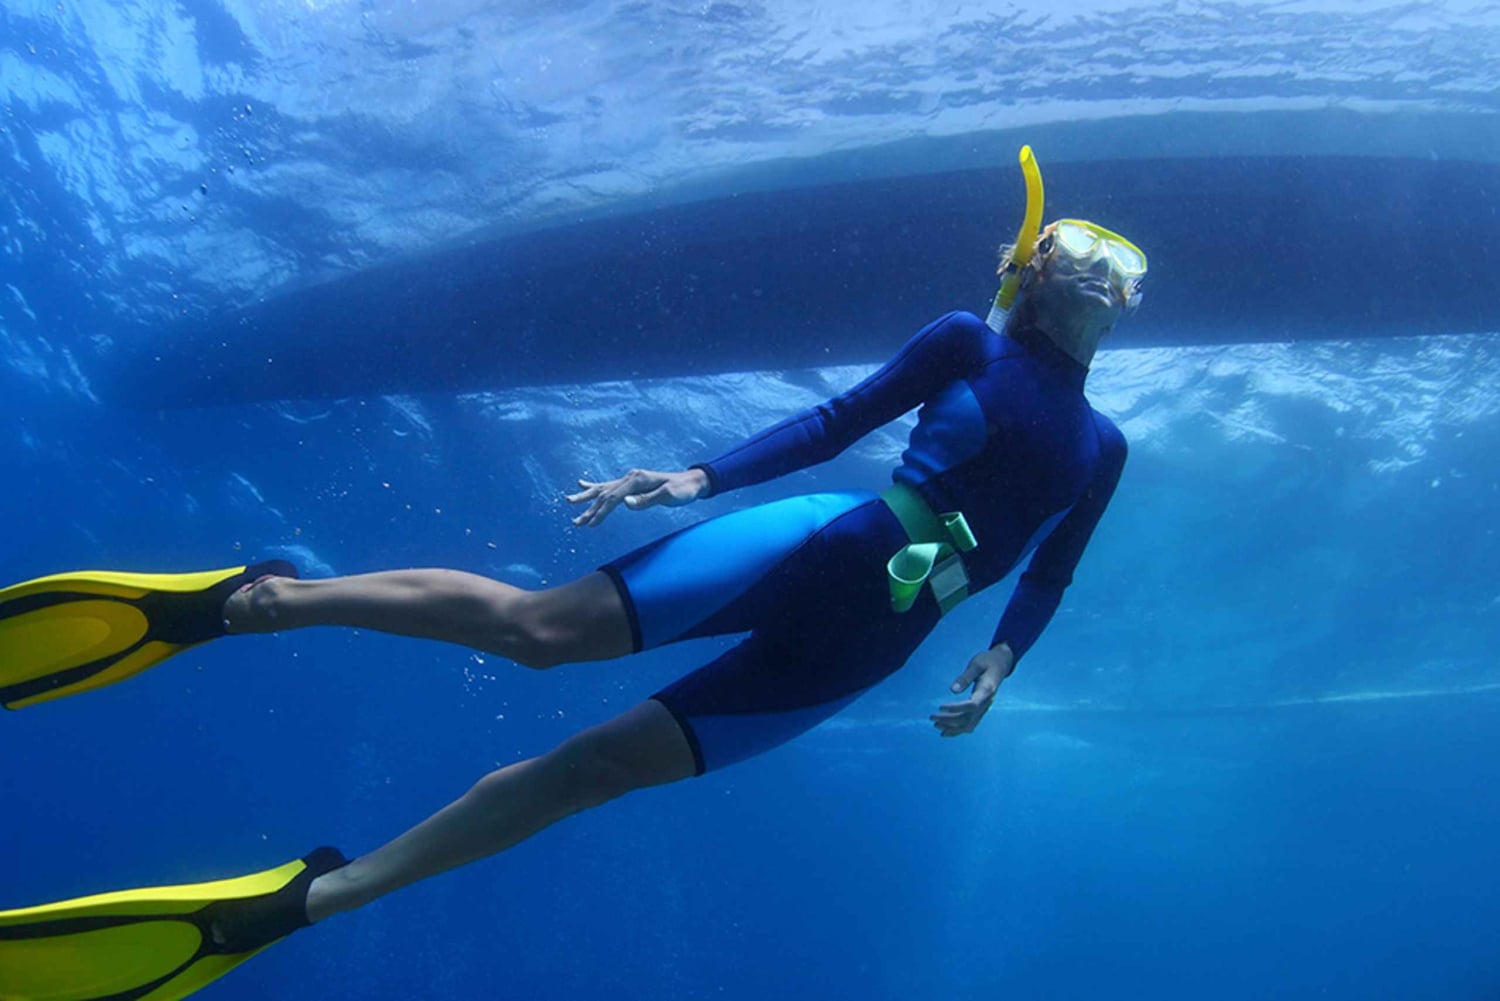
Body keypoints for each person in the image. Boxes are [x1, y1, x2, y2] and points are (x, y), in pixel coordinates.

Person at [0, 153, 1147, 1001]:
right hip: (820, 543)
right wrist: (697, 475)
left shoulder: (1105, 447)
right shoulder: (967, 341)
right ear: (1037, 270)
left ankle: (313, 899)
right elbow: (836, 419)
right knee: (537, 631)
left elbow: (1051, 570)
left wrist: (1001, 657)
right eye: (1088, 253)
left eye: (1124, 267)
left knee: (590, 772)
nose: (1106, 274)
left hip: (872, 644)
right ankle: (261, 600)